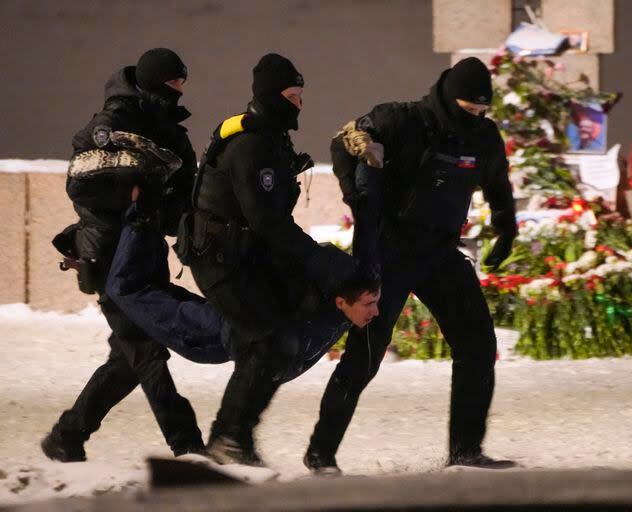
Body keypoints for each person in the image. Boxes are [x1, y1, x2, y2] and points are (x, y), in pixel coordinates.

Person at [303, 57, 519, 475]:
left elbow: (498, 182)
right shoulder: (401, 119)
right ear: (448, 98)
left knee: (477, 345)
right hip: (391, 251)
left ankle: (466, 452)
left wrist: (506, 229)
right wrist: (358, 196)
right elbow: (344, 141)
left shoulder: (483, 137)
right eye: (468, 109)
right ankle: (321, 452)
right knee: (365, 354)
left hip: (439, 252)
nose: (474, 118)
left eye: (481, 111)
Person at [183, 53, 373, 466]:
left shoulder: (272, 140)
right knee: (266, 341)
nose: (299, 103)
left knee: (284, 335)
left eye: (301, 94)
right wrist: (315, 258)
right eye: (292, 94)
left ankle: (233, 438)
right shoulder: (250, 146)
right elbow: (267, 220)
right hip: (222, 260)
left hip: (249, 253)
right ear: (271, 97)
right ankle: (228, 441)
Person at [41, 48, 205, 462]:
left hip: (146, 255)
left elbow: (182, 199)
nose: (179, 91)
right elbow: (81, 184)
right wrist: (134, 192)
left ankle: (68, 435)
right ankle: (187, 445)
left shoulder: (173, 132)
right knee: (145, 350)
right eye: (172, 83)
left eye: (182, 83)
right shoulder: (111, 123)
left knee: (130, 357)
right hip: (110, 257)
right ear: (153, 82)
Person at [103, 196, 379, 382]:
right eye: (369, 304)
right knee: (125, 289)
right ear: (342, 300)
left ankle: (143, 215)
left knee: (149, 297)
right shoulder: (324, 294)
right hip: (216, 331)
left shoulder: (344, 306)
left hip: (221, 332)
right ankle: (138, 214)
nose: (376, 311)